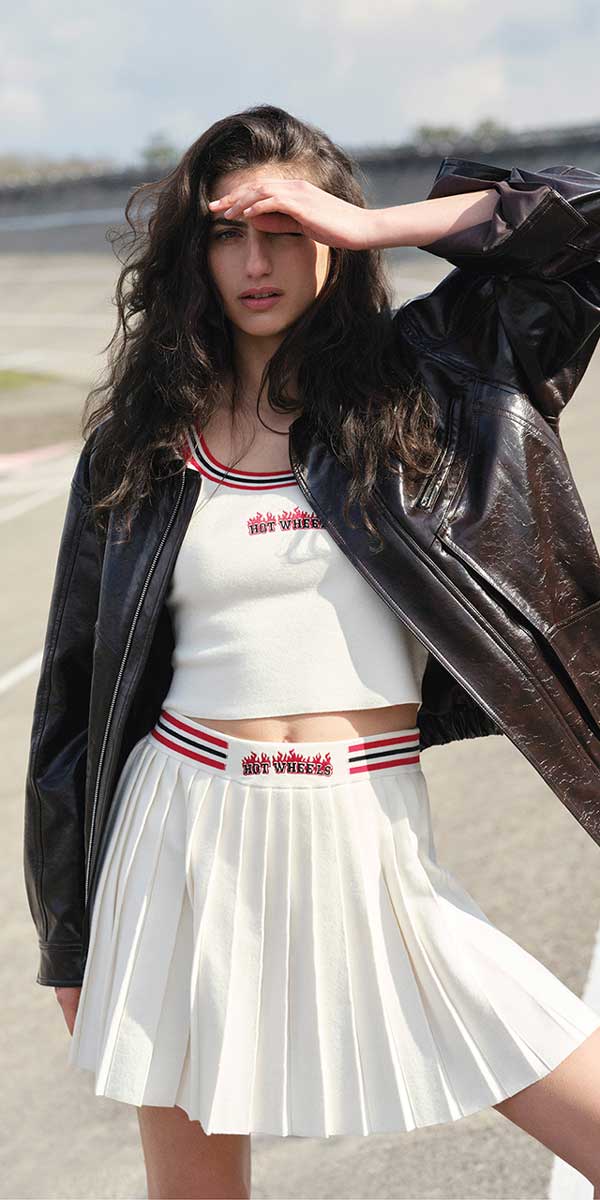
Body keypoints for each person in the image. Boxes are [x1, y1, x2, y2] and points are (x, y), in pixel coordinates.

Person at [23, 103, 600, 1200]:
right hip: (180, 835)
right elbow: (72, 699)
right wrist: (70, 934)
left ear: (333, 236)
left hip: (367, 833)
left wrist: (378, 225)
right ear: (193, 256)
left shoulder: (432, 386)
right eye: (228, 234)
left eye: (286, 229)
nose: (257, 262)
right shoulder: (142, 443)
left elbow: (586, 224)